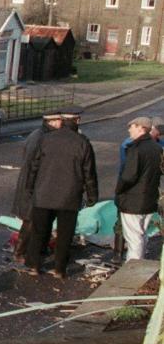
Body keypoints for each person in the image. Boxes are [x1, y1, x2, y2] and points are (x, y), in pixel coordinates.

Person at [24, 107, 98, 278]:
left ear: (62, 121)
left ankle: (34, 265)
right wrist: (92, 195)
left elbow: (33, 167)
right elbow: (89, 172)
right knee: (65, 234)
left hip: (43, 194)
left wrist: (30, 188)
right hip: (69, 196)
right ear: (77, 121)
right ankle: (59, 269)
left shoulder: (46, 139)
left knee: (39, 231)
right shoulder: (82, 142)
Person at [115, 117, 163, 261]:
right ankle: (140, 266)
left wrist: (120, 190)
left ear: (141, 128)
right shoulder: (157, 148)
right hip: (150, 198)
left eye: (132, 126)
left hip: (133, 200)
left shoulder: (135, 149)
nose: (129, 129)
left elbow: (129, 176)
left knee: (134, 237)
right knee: (142, 234)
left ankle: (133, 270)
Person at [10, 115, 54, 260]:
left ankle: (31, 250)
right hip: (32, 185)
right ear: (51, 121)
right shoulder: (40, 137)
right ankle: (20, 252)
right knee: (30, 220)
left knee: (33, 220)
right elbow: (32, 163)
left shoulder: (41, 134)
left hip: (33, 184)